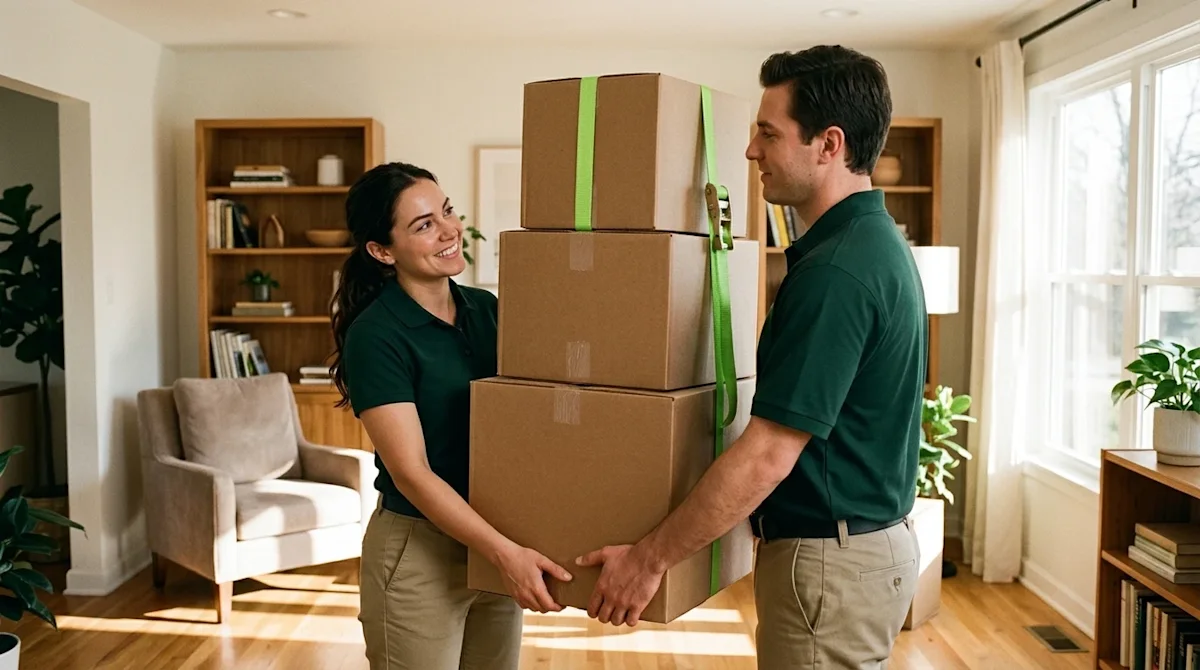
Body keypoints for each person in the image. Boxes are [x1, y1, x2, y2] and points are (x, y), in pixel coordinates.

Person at [575, 45, 927, 668]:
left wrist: (648, 561)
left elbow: (768, 453)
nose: (750, 151)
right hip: (863, 547)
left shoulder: (838, 273)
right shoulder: (873, 243)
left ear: (829, 144)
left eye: (769, 133)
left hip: (831, 561)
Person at [330, 161, 573, 669]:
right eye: (423, 225)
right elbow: (413, 473)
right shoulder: (376, 336)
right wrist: (506, 553)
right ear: (381, 250)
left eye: (446, 211)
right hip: (421, 551)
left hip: (496, 536)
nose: (449, 230)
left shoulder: (487, 310)